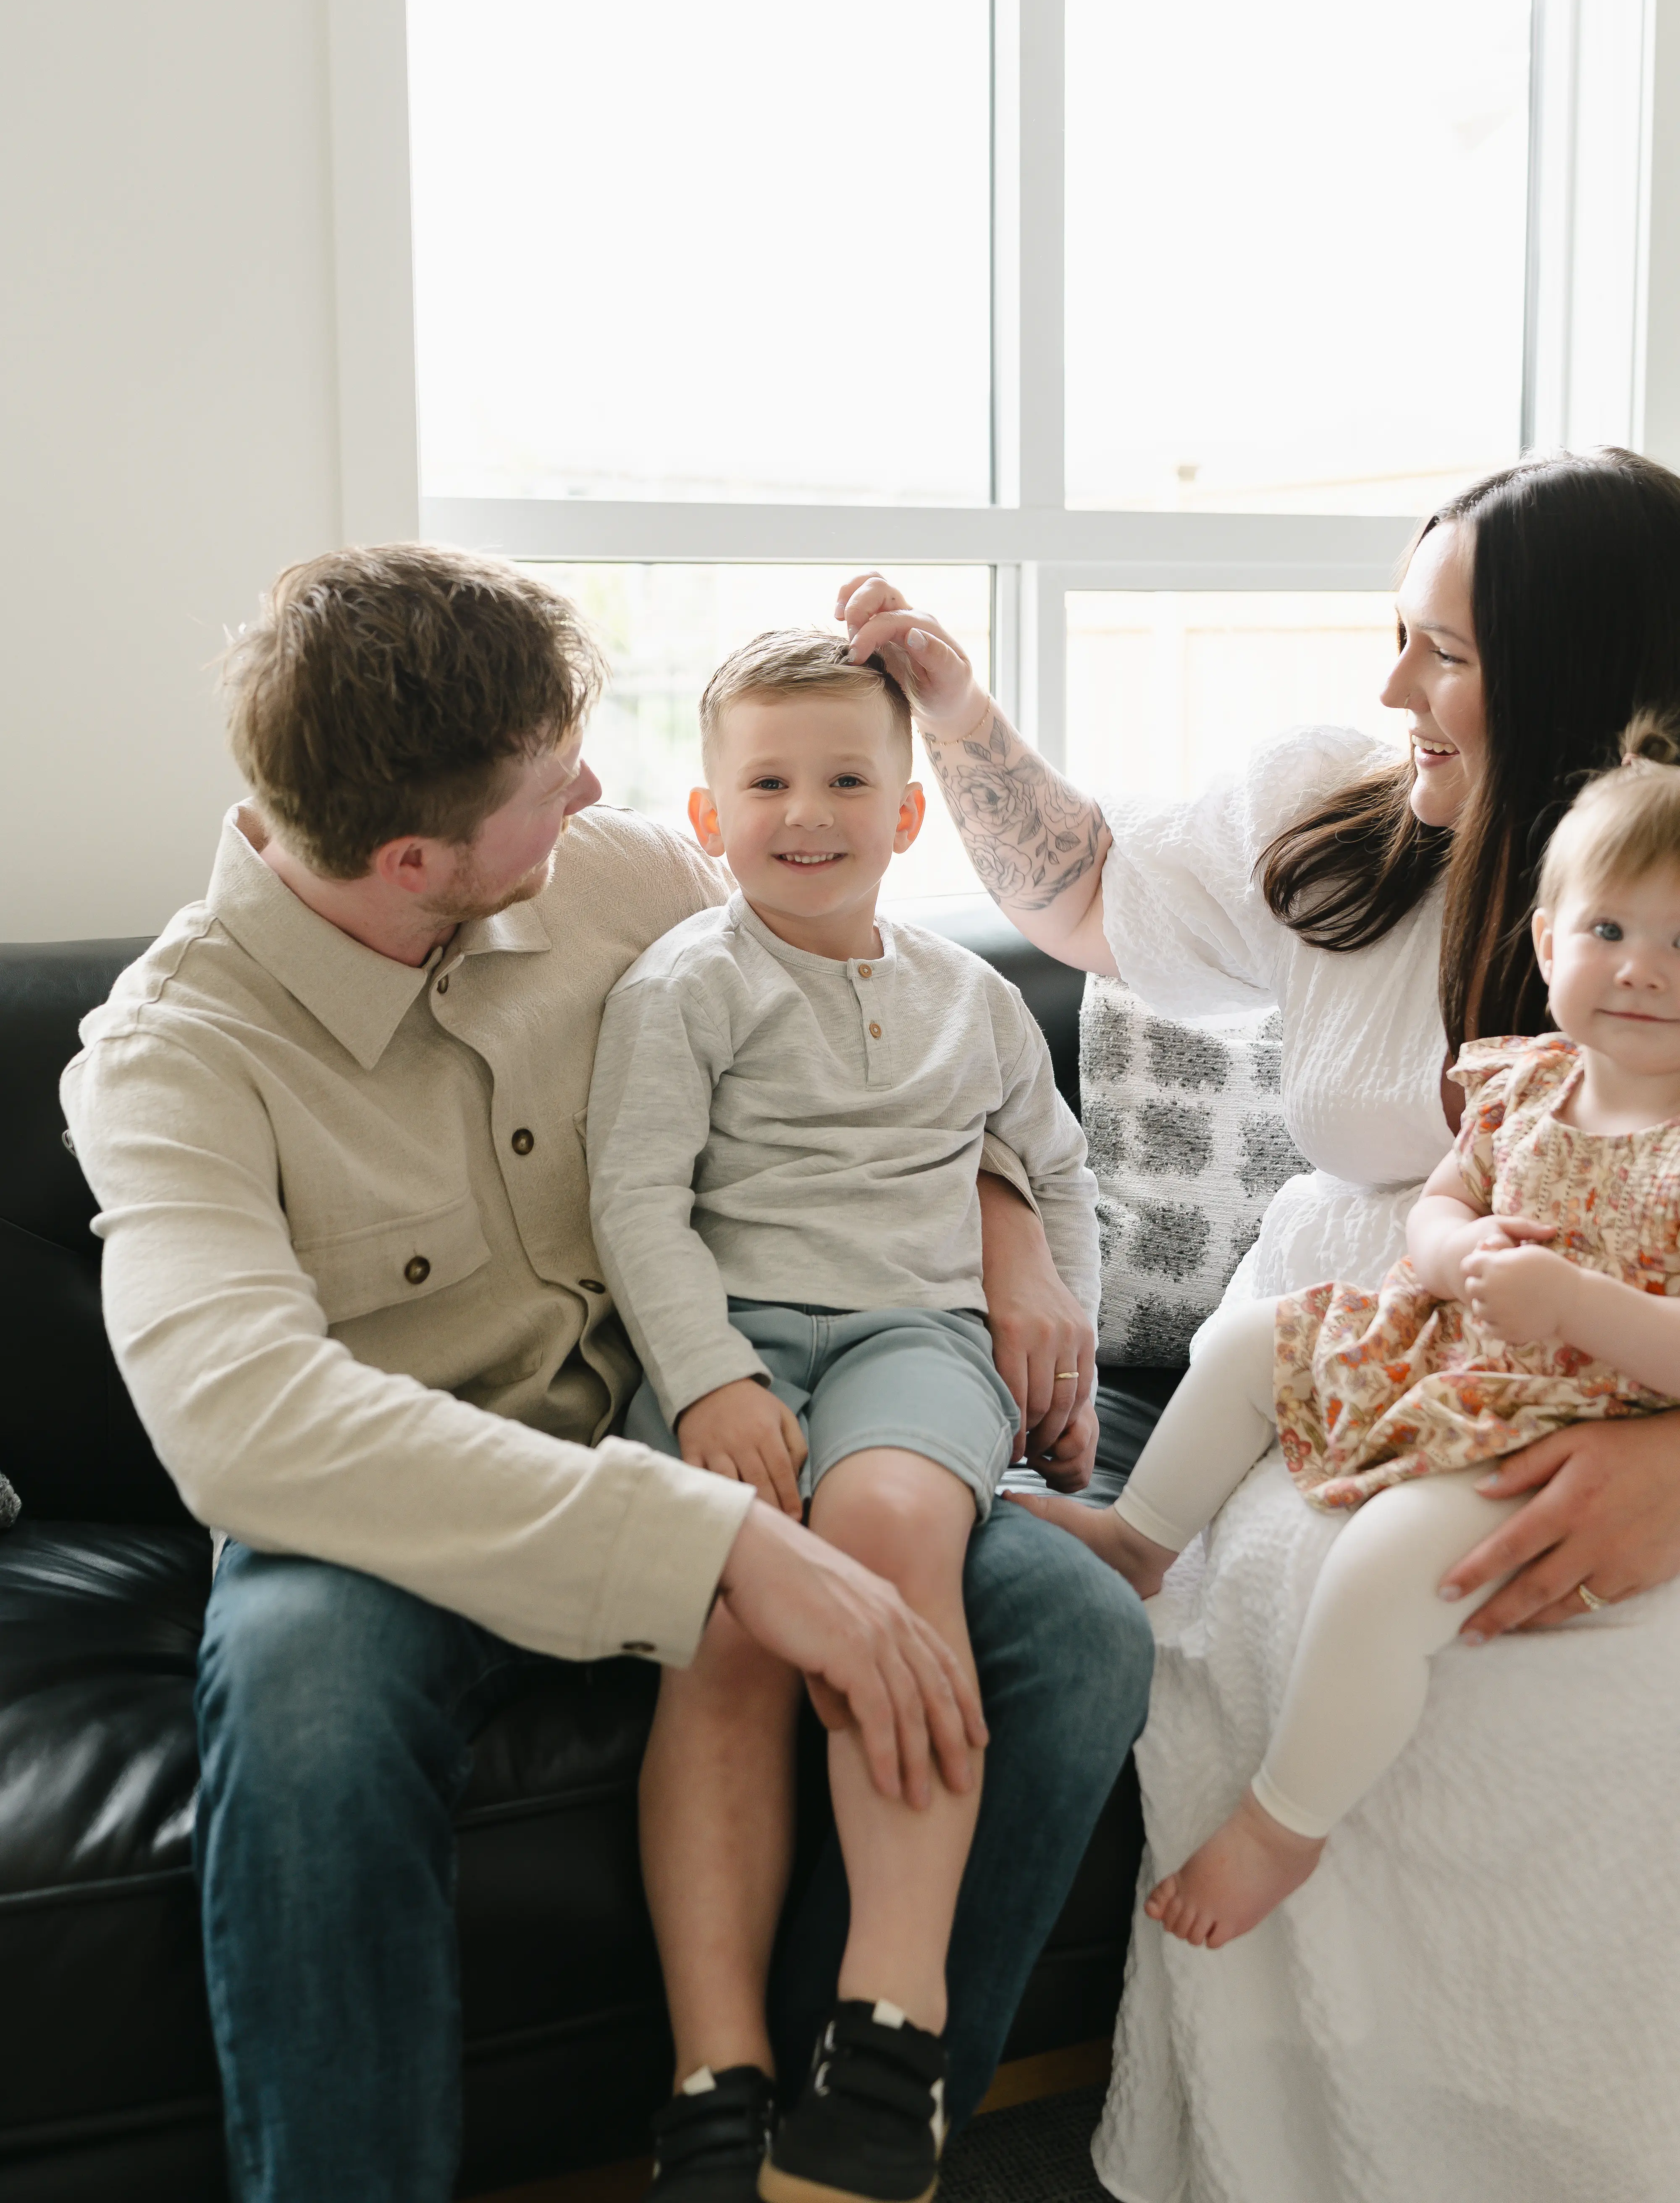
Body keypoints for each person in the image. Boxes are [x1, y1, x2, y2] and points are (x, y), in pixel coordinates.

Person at [58, 546, 1152, 2203]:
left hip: (742, 1425)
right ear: (418, 857)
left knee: (1073, 1633)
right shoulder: (172, 1054)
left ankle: (828, 2137)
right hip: (407, 1521)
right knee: (307, 1697)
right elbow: (242, 1428)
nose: (591, 785)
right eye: (549, 780)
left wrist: (1008, 1221)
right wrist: (722, 1547)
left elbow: (883, 1027)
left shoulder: (616, 874)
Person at [840, 449, 1680, 2202]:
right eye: (1396, 637)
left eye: (1441, 651)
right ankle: (1311, 2141)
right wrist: (955, 709)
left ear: (1594, 669)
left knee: (1587, 1696)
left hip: (1629, 1369)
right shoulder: (1343, 818)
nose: (1392, 691)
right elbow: (1086, 909)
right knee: (1324, 1612)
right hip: (1373, 1339)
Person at [586, 629, 1100, 2203]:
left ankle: (891, 2034)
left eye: (847, 780)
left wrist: (1059, 1337)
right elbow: (636, 1202)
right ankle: (715, 2079)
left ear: (909, 816)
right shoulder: (686, 985)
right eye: (766, 781)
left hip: (915, 1338)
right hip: (732, 1337)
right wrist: (711, 1381)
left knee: (878, 1537)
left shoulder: (974, 998)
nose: (805, 812)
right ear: (705, 813)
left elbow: (1057, 1166)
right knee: (737, 1607)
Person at [1061, 725, 1680, 1952]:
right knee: (1246, 1348)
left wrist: (1573, 1306)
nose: (1642, 972)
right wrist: (1451, 1251)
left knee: (1389, 1568)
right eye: (1609, 932)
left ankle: (1287, 1823)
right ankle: (1139, 1539)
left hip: (1572, 1416)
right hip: (1449, 1347)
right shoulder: (1522, 1081)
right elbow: (1453, 1193)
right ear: (1550, 942)